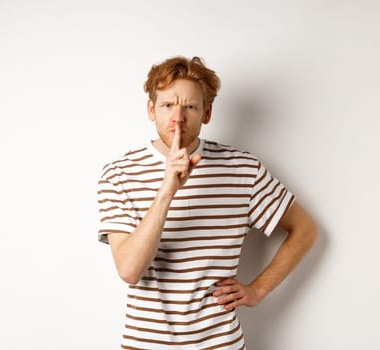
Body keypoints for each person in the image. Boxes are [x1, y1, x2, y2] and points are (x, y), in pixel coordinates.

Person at [97, 56, 318, 349]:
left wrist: (257, 290)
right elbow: (129, 270)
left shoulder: (242, 168)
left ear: (207, 113)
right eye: (167, 105)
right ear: (151, 110)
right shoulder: (119, 174)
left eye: (190, 106)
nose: (178, 118)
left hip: (219, 343)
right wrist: (167, 190)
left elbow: (304, 230)